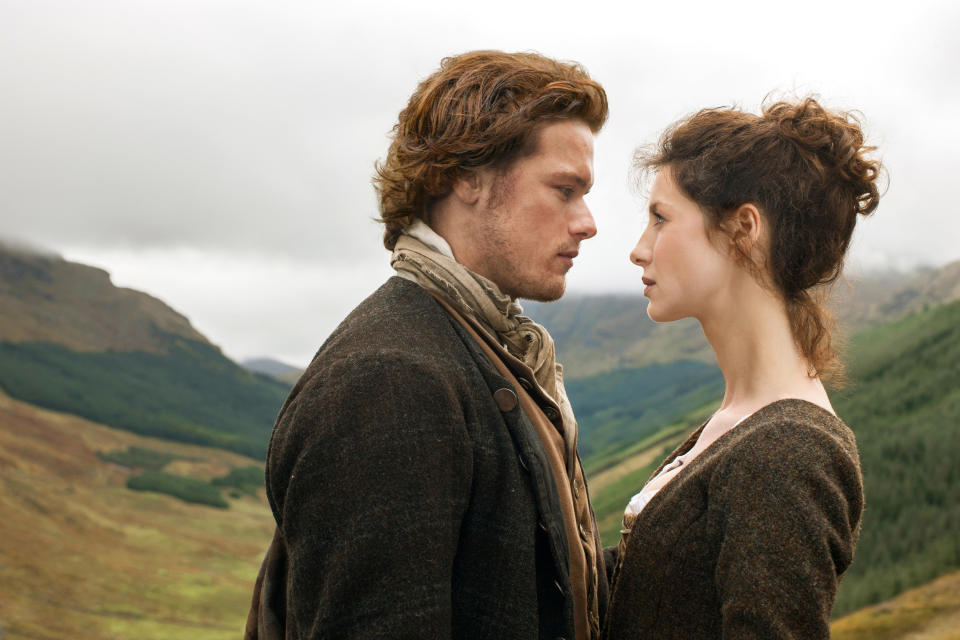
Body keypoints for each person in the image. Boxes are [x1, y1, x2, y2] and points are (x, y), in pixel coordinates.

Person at [245, 50, 610, 640]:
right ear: (462, 176)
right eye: (564, 189)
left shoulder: (476, 344)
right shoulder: (389, 379)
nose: (588, 222)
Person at [602, 97, 882, 639]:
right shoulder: (740, 421)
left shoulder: (791, 449)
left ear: (743, 229)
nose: (640, 250)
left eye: (661, 218)